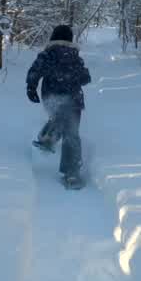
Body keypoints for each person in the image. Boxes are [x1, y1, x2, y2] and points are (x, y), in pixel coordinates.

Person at [26, 25, 92, 189]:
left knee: (58, 117)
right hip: (74, 99)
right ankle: (71, 173)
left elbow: (35, 70)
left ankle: (47, 137)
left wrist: (31, 88)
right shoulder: (75, 57)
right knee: (72, 134)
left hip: (52, 96)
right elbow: (85, 78)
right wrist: (74, 74)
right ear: (70, 40)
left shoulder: (47, 54)